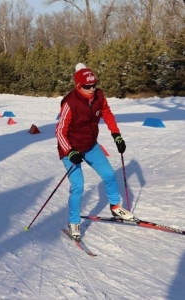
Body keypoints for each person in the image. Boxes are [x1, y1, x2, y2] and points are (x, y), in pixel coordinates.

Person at [55, 63, 134, 242]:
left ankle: (115, 207)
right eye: (87, 86)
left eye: (94, 85)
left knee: (108, 174)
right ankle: (74, 222)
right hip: (71, 148)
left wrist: (117, 135)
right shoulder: (70, 102)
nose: (92, 89)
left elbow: (106, 113)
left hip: (90, 145)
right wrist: (69, 151)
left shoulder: (99, 96)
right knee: (78, 186)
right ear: (78, 86)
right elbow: (60, 131)